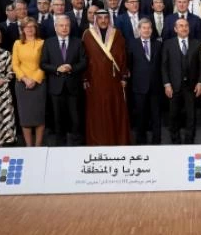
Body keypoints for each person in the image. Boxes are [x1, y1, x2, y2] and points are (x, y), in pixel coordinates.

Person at [82, 10, 130, 146]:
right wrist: (84, 78)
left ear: (109, 19)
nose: (103, 20)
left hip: (114, 81)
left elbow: (123, 56)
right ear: (95, 20)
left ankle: (117, 141)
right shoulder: (87, 35)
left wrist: (124, 77)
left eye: (106, 18)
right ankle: (98, 142)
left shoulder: (117, 34)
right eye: (100, 18)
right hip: (94, 81)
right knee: (97, 112)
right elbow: (84, 58)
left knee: (115, 110)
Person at [41, 15, 88, 146]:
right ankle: (60, 146)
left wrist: (71, 67)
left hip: (73, 87)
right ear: (55, 27)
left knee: (76, 119)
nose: (64, 28)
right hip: (56, 87)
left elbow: (84, 62)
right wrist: (57, 69)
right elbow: (43, 63)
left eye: (67, 25)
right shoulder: (48, 43)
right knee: (58, 119)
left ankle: (76, 145)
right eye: (61, 25)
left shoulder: (78, 42)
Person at [162, 18, 201, 144]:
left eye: (186, 26)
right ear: (175, 29)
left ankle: (189, 141)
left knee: (191, 115)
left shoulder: (197, 43)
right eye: (181, 26)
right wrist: (167, 84)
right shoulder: (168, 44)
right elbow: (164, 65)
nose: (184, 28)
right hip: (174, 86)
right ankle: (175, 141)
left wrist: (200, 82)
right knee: (173, 114)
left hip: (191, 86)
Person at [127, 19, 162, 145]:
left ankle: (156, 142)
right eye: (144, 28)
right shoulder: (132, 44)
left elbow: (162, 65)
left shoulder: (158, 44)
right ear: (139, 30)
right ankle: (141, 142)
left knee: (156, 117)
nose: (146, 30)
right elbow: (129, 65)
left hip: (156, 87)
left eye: (149, 28)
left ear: (152, 30)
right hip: (139, 87)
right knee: (140, 116)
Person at [11, 18, 46, 147]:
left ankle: (38, 147)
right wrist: (25, 79)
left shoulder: (42, 43)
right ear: (22, 29)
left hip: (39, 83)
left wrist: (34, 79)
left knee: (39, 116)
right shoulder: (17, 43)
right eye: (27, 27)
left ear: (36, 28)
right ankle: (28, 147)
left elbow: (44, 63)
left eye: (32, 26)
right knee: (25, 117)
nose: (29, 29)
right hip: (22, 84)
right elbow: (15, 64)